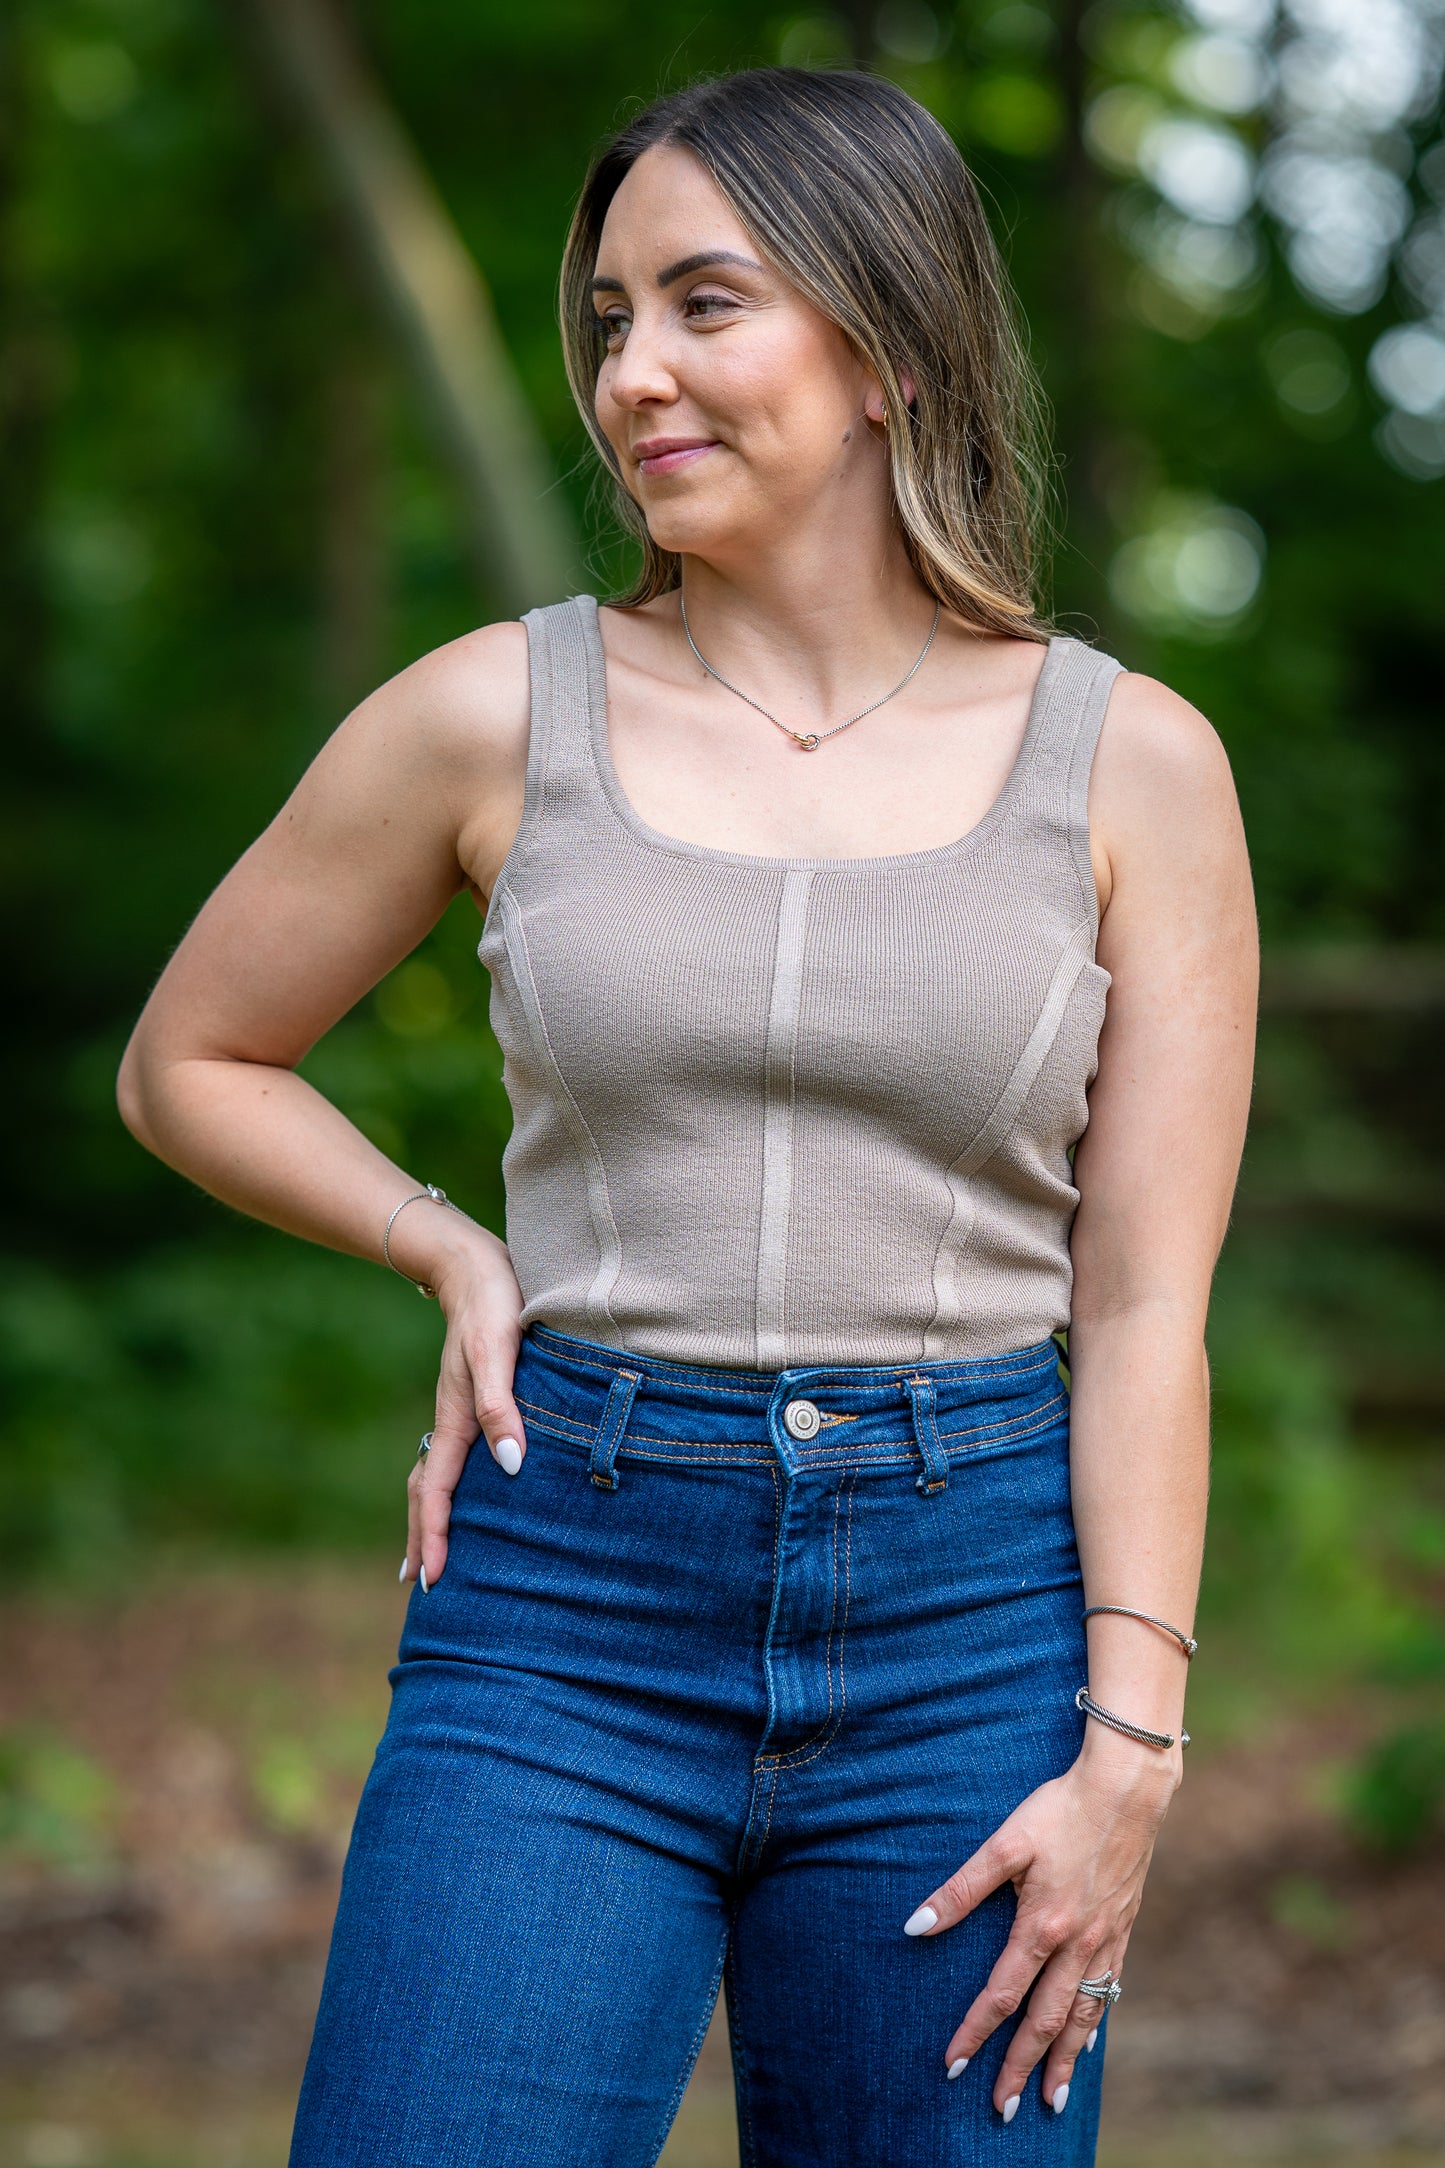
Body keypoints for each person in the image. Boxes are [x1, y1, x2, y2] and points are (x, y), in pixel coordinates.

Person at [116, 62, 1257, 2168]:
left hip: (973, 1613)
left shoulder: (1136, 765)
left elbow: (1143, 1300)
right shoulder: (487, 711)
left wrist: (1130, 1745)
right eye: (614, 317)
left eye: (703, 305)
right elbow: (189, 1058)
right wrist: (449, 1239)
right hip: (566, 1602)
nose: (633, 371)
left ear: (892, 345)